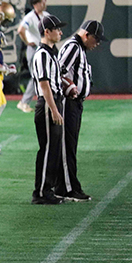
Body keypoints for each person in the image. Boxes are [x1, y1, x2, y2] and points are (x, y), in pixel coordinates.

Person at [56, 20, 106, 202]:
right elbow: (57, 71)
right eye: (96, 38)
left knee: (71, 145)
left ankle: (67, 185)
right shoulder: (73, 47)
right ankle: (67, 188)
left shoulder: (79, 48)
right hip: (68, 102)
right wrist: (68, 86)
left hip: (75, 103)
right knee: (67, 146)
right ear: (86, 35)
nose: (97, 43)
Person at [30, 14, 66, 205]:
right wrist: (53, 109)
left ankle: (48, 188)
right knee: (47, 148)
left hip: (54, 101)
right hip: (47, 103)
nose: (60, 32)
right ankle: (41, 192)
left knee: (54, 149)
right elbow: (44, 85)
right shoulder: (42, 54)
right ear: (47, 32)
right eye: (57, 29)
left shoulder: (52, 52)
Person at [17, 0, 49, 113]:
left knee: (44, 76)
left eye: (45, 2)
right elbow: (20, 30)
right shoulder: (29, 17)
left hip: (44, 49)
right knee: (36, 76)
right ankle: (24, 102)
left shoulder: (46, 15)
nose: (44, 4)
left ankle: (44, 101)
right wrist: (27, 42)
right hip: (34, 48)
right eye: (42, 2)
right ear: (35, 4)